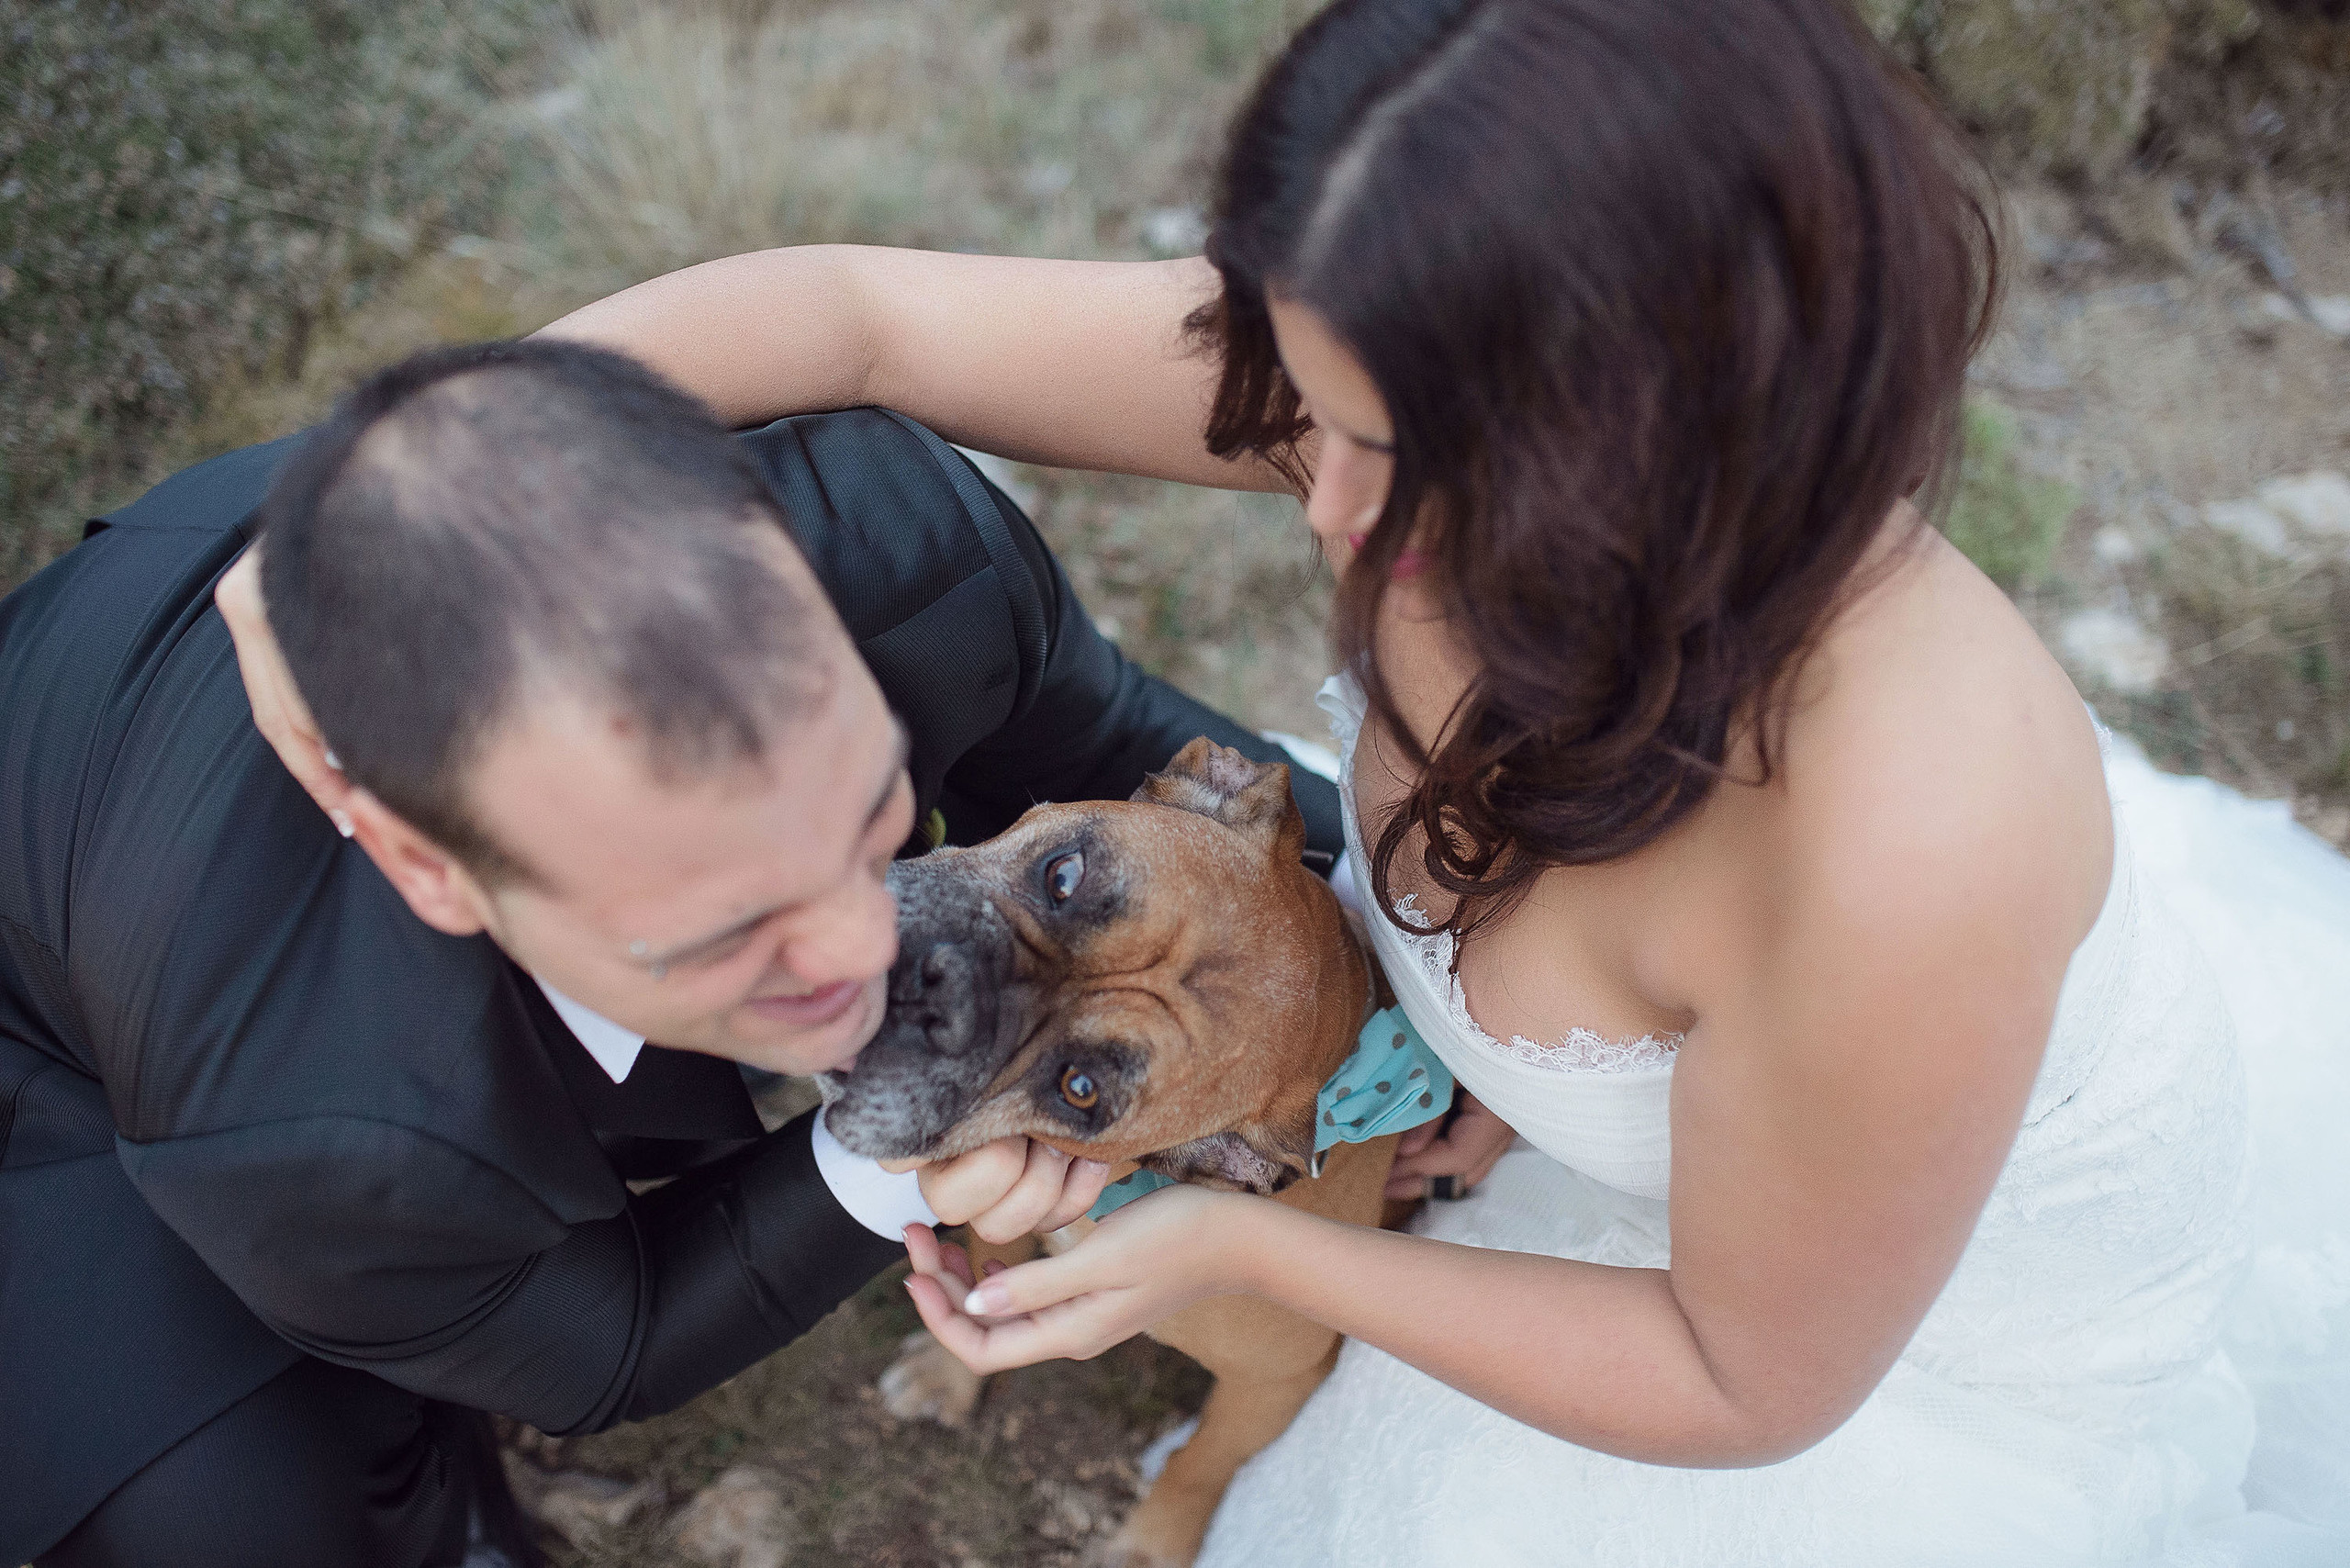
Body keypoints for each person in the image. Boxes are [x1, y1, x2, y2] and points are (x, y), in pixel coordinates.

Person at [541, 0, 2350, 1561]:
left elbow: (1738, 1377)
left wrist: (1236, 1251)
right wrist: (401, 510)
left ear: (1660, 450)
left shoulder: (1907, 855)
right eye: (1294, 400)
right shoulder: (1410, 365)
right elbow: (858, 318)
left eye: (1384, 461)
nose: (1308, 498)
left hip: (1889, 1328)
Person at [0, 337, 1345, 1566]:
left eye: (864, 810)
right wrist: (874, 1173)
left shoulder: (918, 558)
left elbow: (1140, 772)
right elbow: (605, 1344)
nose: (873, 947)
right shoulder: (319, 1132)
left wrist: (1410, 966)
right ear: (434, 869)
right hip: (58, 1020)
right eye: (735, 922)